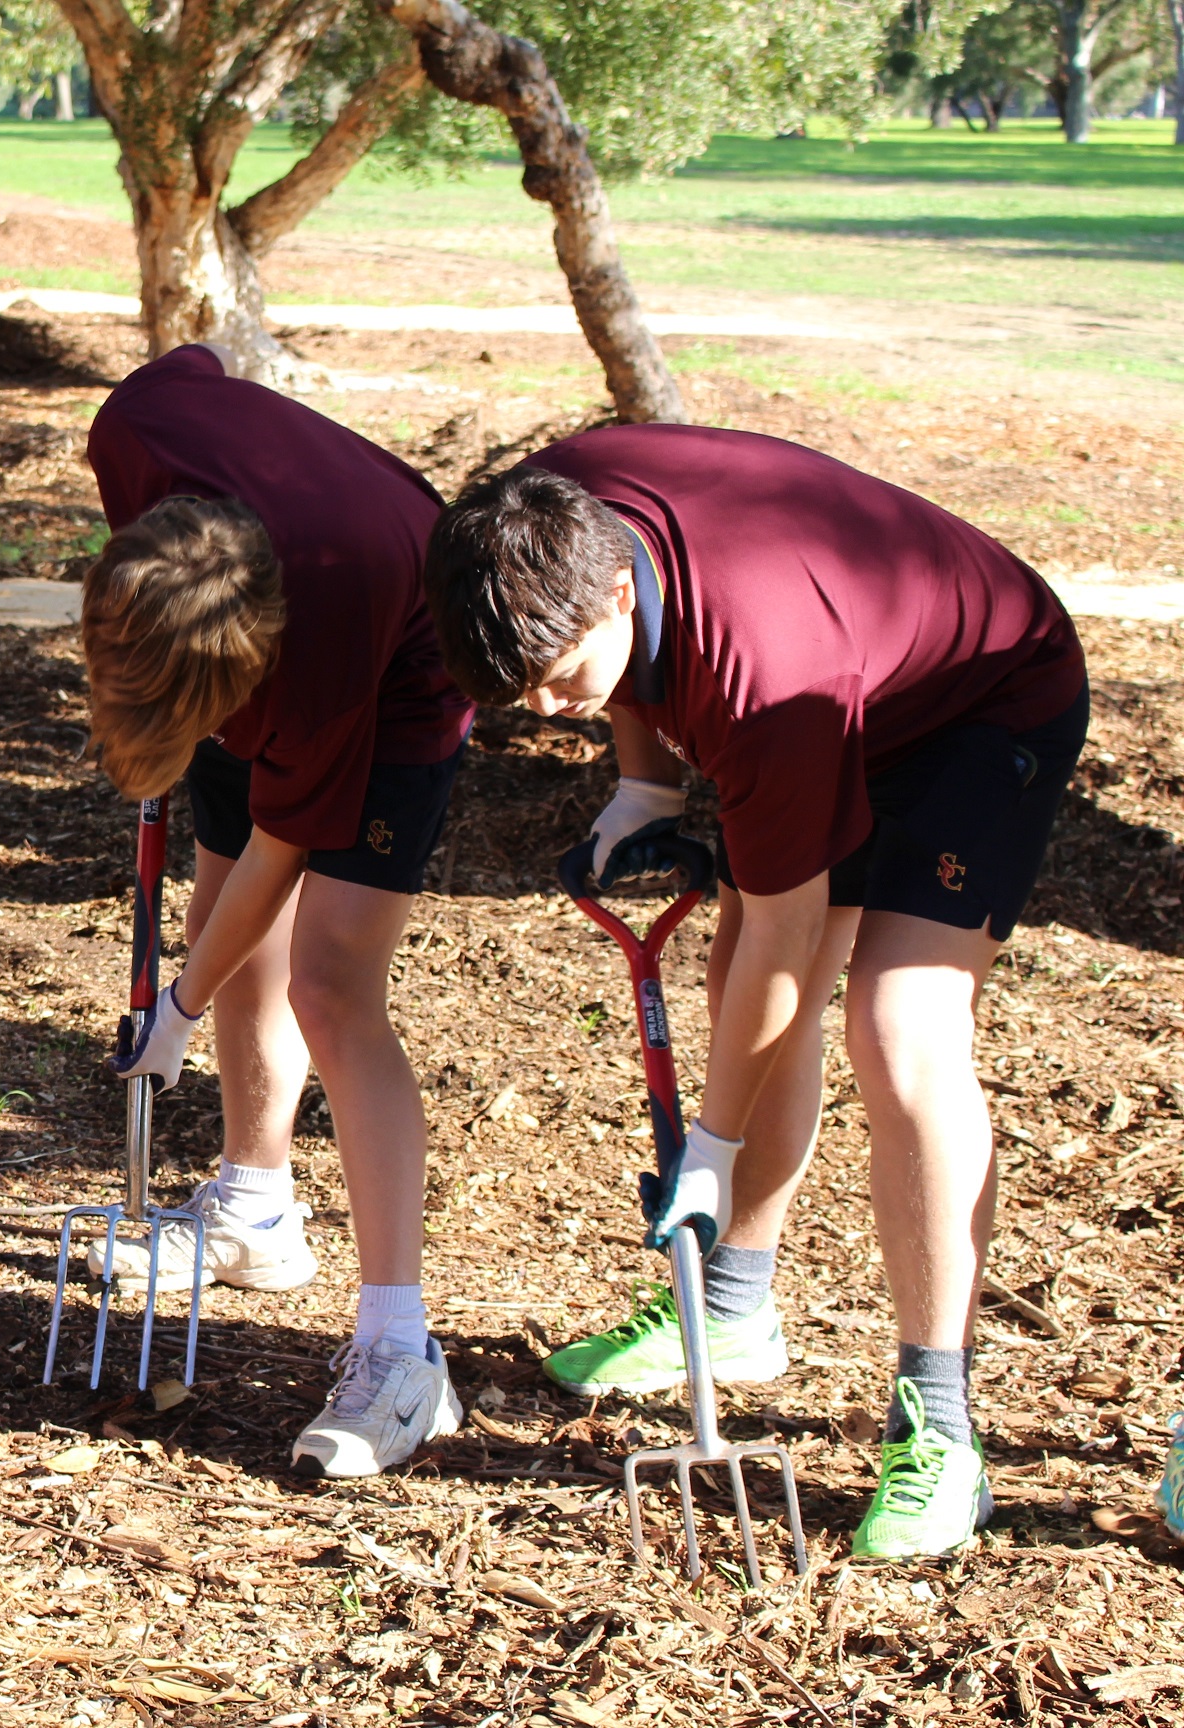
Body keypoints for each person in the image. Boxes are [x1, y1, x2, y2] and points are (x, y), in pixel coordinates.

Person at [421, 425, 1089, 1559]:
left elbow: (794, 930)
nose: (545, 707)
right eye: (519, 690)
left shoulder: (762, 674)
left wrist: (713, 1149)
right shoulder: (538, 518)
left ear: (619, 595)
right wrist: (646, 780)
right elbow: (761, 940)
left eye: (561, 676)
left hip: (982, 702)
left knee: (899, 1023)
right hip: (839, 671)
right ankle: (731, 1307)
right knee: (736, 972)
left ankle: (941, 1425)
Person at [82, 344, 476, 1479]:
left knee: (330, 983)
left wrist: (177, 1009)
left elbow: (281, 854)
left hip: (404, 658)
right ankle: (255, 1211)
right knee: (219, 907)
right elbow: (193, 364)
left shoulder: (330, 650)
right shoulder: (135, 433)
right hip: (230, 609)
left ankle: (401, 1351)